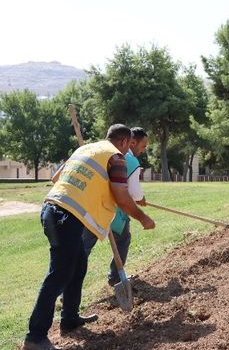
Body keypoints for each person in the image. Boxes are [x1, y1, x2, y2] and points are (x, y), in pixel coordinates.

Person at [23, 124, 156, 350]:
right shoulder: (116, 158)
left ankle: (70, 319)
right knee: (59, 274)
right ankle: (35, 337)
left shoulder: (86, 150)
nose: (127, 152)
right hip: (65, 217)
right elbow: (123, 198)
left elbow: (57, 177)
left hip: (54, 210)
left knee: (78, 265)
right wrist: (143, 218)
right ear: (124, 142)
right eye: (127, 147)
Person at [82, 127, 149, 286]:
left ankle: (67, 289)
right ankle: (116, 277)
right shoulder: (130, 160)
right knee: (123, 239)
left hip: (91, 209)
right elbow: (133, 192)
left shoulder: (99, 153)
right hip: (114, 211)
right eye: (144, 146)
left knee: (83, 249)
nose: (144, 150)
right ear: (131, 142)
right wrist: (140, 199)